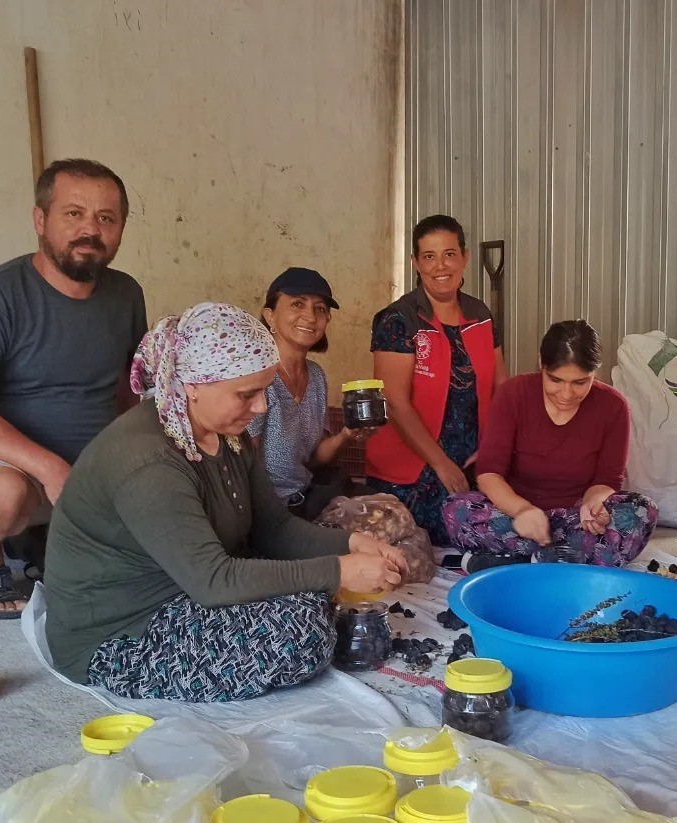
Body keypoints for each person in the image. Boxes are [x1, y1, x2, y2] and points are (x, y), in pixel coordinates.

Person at [42, 304, 406, 702]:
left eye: (264, 390)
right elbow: (214, 581)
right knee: (301, 632)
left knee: (309, 595)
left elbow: (275, 528)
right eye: (246, 394)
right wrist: (337, 571)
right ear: (193, 385)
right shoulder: (148, 461)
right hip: (122, 632)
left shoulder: (230, 437)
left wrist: (351, 545)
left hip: (186, 591)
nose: (261, 407)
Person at [0, 159, 147, 620]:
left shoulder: (126, 294)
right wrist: (51, 470)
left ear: (121, 227)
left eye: (106, 218)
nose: (90, 229)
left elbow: (127, 391)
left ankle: (43, 540)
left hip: (87, 471)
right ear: (40, 220)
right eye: (73, 214)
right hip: (4, 468)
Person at [442, 320, 656, 569]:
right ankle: (564, 560)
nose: (566, 394)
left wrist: (593, 505)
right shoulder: (513, 394)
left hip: (574, 518)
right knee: (456, 509)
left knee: (641, 512)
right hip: (516, 515)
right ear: (541, 365)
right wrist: (521, 511)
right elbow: (489, 472)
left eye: (580, 382)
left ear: (594, 373)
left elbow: (608, 479)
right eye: (555, 380)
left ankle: (515, 561)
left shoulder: (613, 406)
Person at [366, 215, 508, 544]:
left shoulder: (480, 315)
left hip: (473, 462)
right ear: (415, 262)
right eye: (429, 256)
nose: (440, 265)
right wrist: (442, 464)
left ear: (465, 257)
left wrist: (491, 450)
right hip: (414, 473)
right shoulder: (399, 320)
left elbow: (502, 389)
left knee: (511, 518)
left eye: (449, 254)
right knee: (479, 531)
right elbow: (396, 403)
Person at [252, 267, 364, 520]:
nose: (310, 317)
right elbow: (244, 466)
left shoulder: (315, 376)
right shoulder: (257, 375)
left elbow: (314, 458)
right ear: (270, 316)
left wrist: (346, 434)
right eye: (297, 304)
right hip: (269, 512)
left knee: (394, 519)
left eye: (320, 308)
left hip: (305, 498)